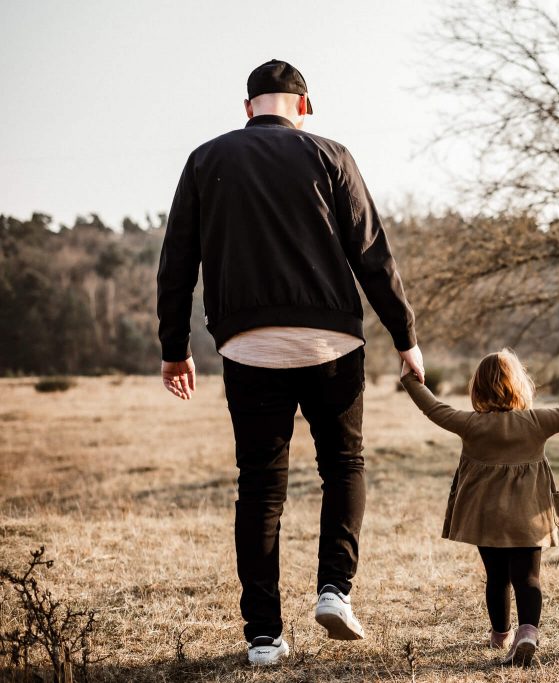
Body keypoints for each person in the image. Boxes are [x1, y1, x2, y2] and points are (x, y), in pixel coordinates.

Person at [156, 59, 424, 666]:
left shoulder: (205, 160)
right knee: (344, 465)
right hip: (331, 344)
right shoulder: (331, 155)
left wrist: (175, 350)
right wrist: (405, 337)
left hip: (247, 348)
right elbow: (372, 255)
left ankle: (263, 637)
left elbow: (177, 264)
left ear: (248, 107)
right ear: (302, 106)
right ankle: (334, 589)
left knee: (260, 487)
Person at [400, 349, 559, 666]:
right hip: (528, 517)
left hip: (486, 518)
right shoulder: (536, 422)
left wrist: (408, 377)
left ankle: (501, 635)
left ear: (478, 389)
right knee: (527, 578)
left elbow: (433, 408)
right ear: (520, 385)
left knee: (496, 578)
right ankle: (527, 633)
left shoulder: (471, 424)